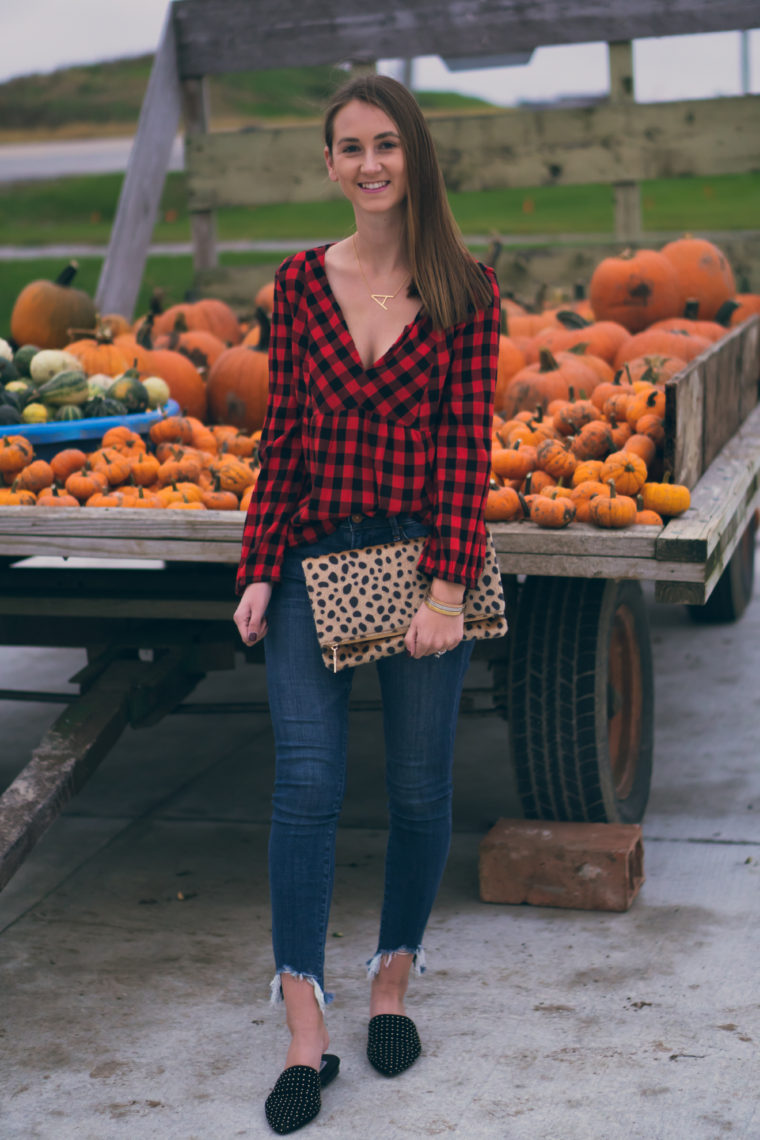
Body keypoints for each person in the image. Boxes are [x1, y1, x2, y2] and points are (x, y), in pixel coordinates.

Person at [233, 73, 500, 1135]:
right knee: (306, 782)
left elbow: (464, 449)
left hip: (425, 568)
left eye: (386, 144)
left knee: (420, 787)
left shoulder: (466, 291)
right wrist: (258, 567)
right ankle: (305, 1015)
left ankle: (392, 976)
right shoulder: (300, 284)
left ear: (415, 154)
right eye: (350, 148)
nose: (370, 163)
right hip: (311, 558)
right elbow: (285, 433)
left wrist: (443, 590)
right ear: (330, 164)